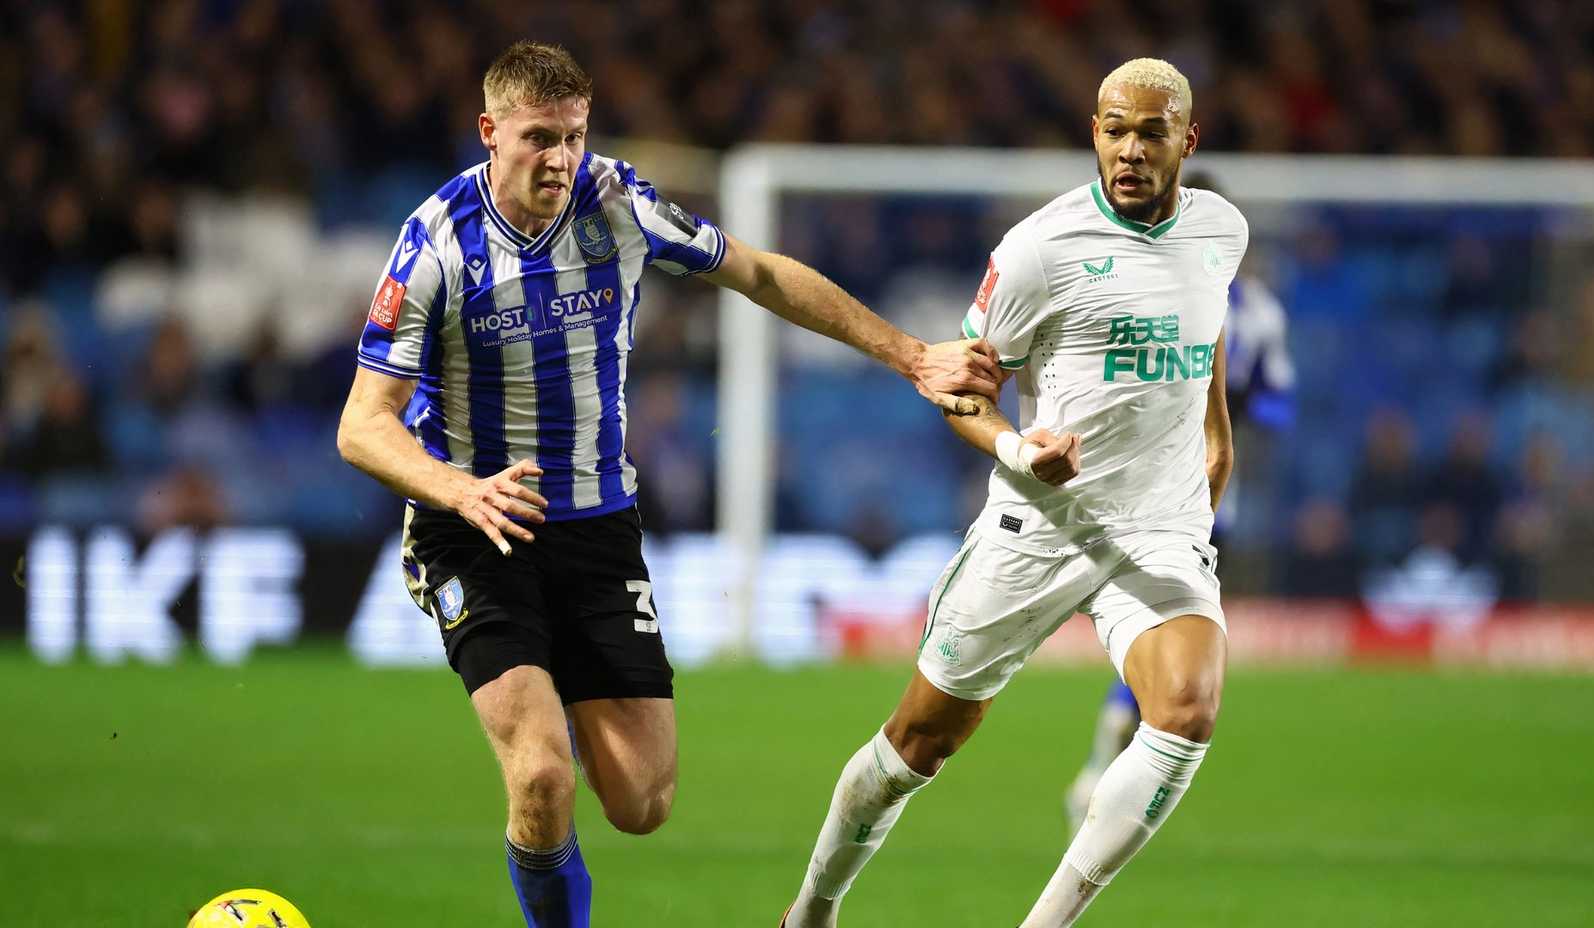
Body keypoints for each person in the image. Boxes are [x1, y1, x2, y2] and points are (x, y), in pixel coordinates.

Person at [335, 41, 1001, 928]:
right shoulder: (433, 244)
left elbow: (757, 272)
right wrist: (458, 491)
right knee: (539, 775)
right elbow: (361, 425)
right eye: (539, 138)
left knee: (641, 804)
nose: (561, 159)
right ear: (489, 132)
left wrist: (911, 354)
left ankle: (549, 681)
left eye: (573, 135)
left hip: (597, 525)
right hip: (477, 527)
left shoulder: (617, 203)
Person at [781, 58, 1245, 928]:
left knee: (1187, 707)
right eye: (1114, 129)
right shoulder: (1040, 249)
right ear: (1094, 132)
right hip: (1043, 522)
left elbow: (1208, 330)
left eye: (1151, 133)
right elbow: (960, 389)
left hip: (1158, 527)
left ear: (1189, 140)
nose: (1131, 150)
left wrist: (1215, 448)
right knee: (917, 744)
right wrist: (1017, 449)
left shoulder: (1221, 229)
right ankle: (811, 910)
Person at [1063, 169, 1294, 834]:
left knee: (1161, 620)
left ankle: (1108, 757)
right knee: (1163, 621)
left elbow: (1276, 401)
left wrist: (1230, 402)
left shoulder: (1233, 306)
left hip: (1184, 484)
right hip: (1149, 483)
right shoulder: (1137, 289)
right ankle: (1113, 765)